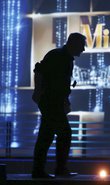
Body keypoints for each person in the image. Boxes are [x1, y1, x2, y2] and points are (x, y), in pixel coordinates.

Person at [31, 32, 86, 179]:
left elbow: (59, 83)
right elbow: (39, 71)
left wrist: (64, 100)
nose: (83, 49)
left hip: (52, 102)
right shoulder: (58, 56)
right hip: (50, 102)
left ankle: (39, 171)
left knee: (46, 136)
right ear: (73, 44)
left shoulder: (65, 58)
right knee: (64, 133)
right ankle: (59, 169)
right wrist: (38, 92)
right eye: (82, 45)